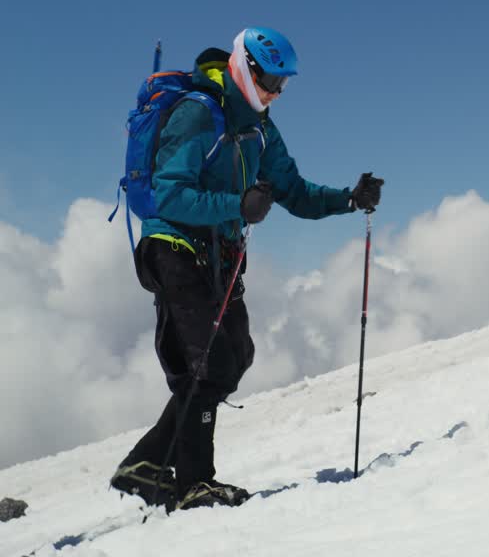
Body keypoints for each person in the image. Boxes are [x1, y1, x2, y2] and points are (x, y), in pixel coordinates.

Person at [108, 27, 384, 510]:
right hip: (173, 246)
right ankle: (195, 482)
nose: (275, 92)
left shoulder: (260, 130)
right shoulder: (199, 113)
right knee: (205, 364)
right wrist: (238, 204)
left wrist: (347, 198)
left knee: (234, 357)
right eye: (269, 80)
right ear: (242, 66)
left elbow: (293, 191)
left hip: (219, 255)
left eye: (283, 84)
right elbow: (170, 193)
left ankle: (146, 462)